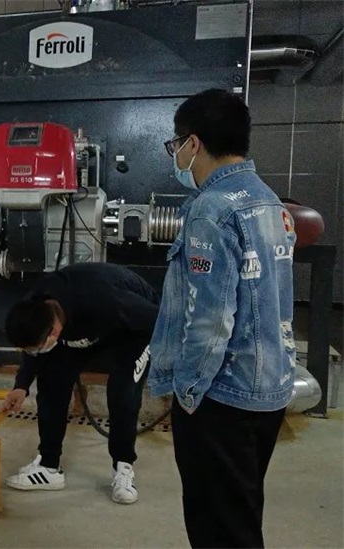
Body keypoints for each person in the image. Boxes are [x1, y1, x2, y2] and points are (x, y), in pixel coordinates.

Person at [148, 89, 296, 548]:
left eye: (176, 145)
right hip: (267, 389)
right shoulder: (268, 199)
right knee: (241, 516)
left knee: (217, 529)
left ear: (193, 143)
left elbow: (209, 319)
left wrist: (187, 392)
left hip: (222, 396)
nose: (177, 156)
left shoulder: (211, 209)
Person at [0, 262, 160, 504]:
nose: (34, 352)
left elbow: (159, 318)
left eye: (37, 347)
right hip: (83, 328)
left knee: (122, 392)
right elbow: (33, 349)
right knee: (51, 380)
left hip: (133, 328)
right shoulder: (33, 308)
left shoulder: (107, 300)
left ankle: (123, 467)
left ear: (53, 331)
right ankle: (49, 467)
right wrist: (21, 385)